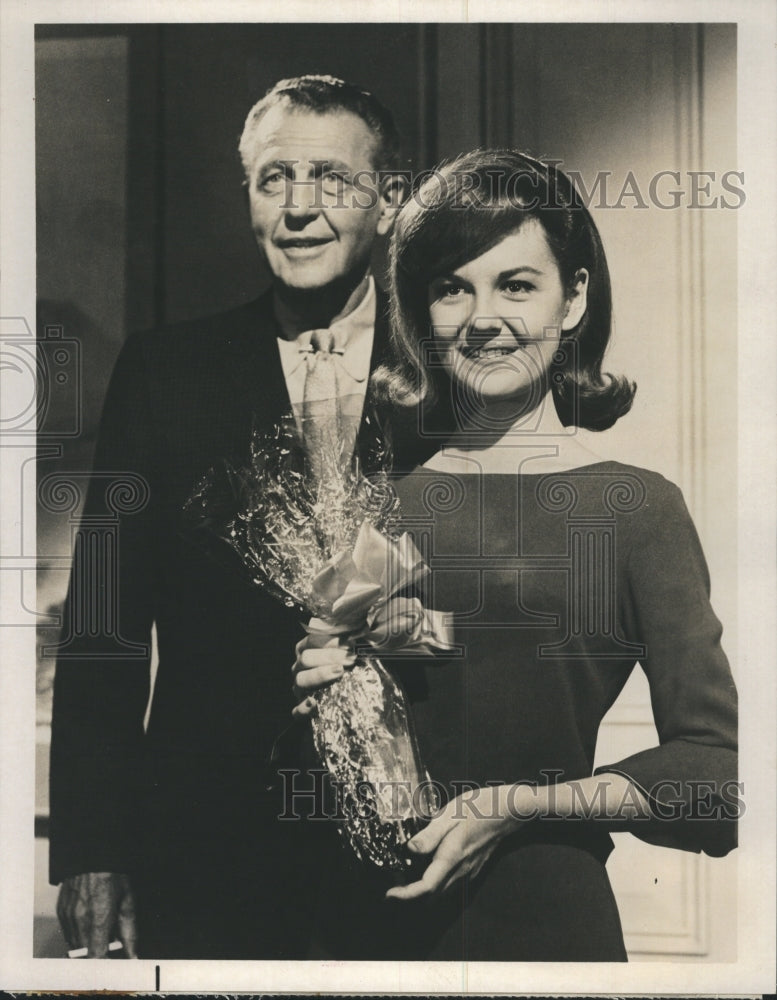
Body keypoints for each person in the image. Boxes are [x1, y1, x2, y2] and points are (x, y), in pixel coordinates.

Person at [292, 149, 739, 961]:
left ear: (573, 299)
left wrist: (518, 806)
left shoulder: (635, 506)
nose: (482, 317)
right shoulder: (372, 503)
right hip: (365, 928)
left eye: (517, 285)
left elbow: (712, 776)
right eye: (451, 286)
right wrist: (317, 696)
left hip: (545, 923)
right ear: (420, 311)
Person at [49, 74, 413, 959]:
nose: (298, 207)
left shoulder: (451, 375)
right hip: (209, 846)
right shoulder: (165, 372)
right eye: (271, 179)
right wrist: (91, 846)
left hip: (417, 836)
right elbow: (104, 624)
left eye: (330, 178)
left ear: (391, 199)